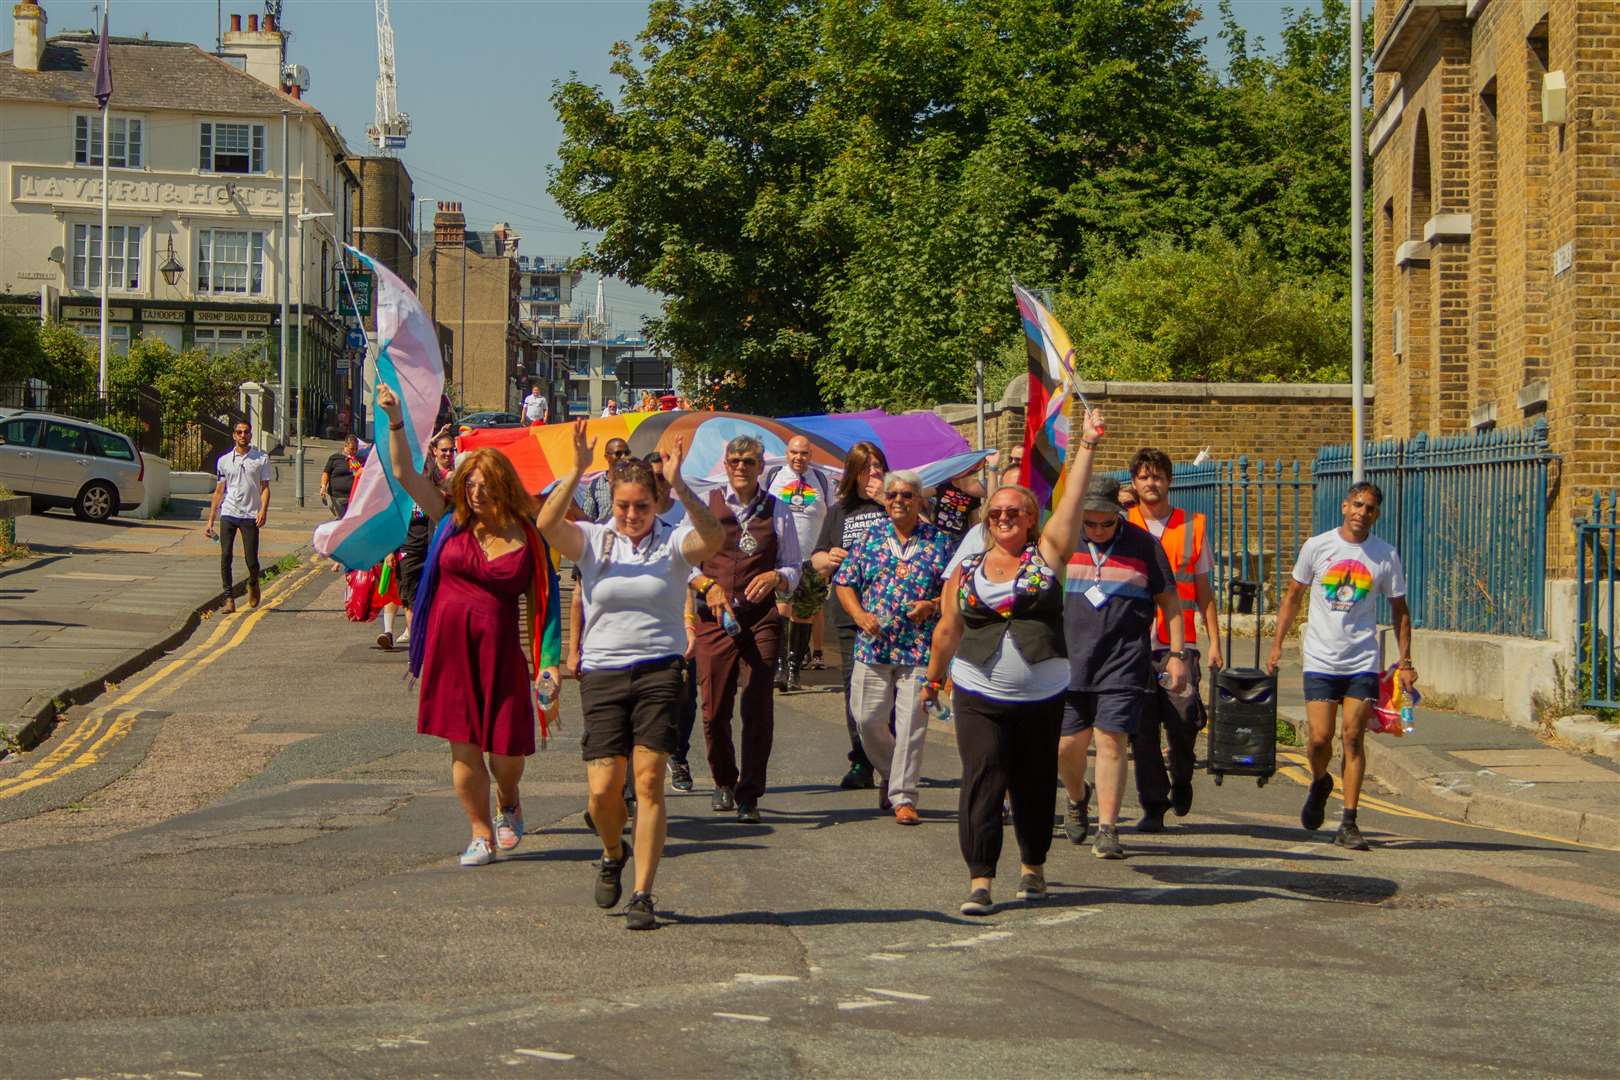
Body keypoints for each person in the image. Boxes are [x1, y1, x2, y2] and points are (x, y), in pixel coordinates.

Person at [539, 421, 723, 930]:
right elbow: (547, 526)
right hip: (602, 673)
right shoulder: (595, 540)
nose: (632, 515)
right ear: (612, 503)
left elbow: (714, 537)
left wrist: (682, 486)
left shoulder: (673, 540)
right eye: (623, 506)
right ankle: (611, 848)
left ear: (655, 503)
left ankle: (643, 893)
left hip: (660, 669)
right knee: (602, 792)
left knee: (648, 782)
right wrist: (575, 471)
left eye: (642, 506)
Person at [922, 409, 1103, 914]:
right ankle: (980, 878)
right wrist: (933, 681)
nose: (1003, 518)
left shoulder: (1048, 556)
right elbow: (947, 629)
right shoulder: (968, 567)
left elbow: (1068, 506)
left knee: (1034, 780)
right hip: (978, 690)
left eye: (1014, 513)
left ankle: (1033, 867)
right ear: (987, 519)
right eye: (996, 513)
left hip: (1042, 692)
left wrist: (1086, 445)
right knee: (982, 776)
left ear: (1031, 519)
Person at [376, 384, 562, 867]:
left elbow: (544, 605)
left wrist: (548, 664)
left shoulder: (528, 536)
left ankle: (509, 800)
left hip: (499, 654)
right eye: (469, 485)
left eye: (484, 485)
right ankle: (480, 833)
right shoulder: (450, 521)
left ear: (501, 486)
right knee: (464, 750)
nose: (475, 493)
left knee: (505, 754)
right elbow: (401, 472)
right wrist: (396, 419)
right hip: (449, 651)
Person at [1268, 482, 1414, 851]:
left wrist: (1406, 662)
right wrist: (1276, 645)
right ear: (1344, 506)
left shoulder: (1384, 555)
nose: (1362, 513)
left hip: (1362, 660)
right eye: (1357, 505)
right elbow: (1292, 596)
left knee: (1352, 737)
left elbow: (1400, 610)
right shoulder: (1317, 547)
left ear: (1376, 515)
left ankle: (1349, 821)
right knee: (1319, 738)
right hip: (1319, 657)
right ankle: (1319, 781)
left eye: (1370, 509)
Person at [1057, 475, 1187, 861]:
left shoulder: (1144, 545)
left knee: (1112, 742)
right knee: (1067, 747)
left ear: (1120, 515)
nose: (1097, 530)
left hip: (1124, 661)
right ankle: (1078, 796)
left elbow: (1171, 604)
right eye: (1089, 522)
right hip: (1068, 662)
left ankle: (1108, 828)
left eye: (1106, 523)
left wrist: (1177, 655)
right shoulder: (1063, 542)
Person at [689, 433, 802, 823]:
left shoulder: (779, 509)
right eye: (734, 461)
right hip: (715, 620)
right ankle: (724, 779)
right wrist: (707, 586)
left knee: (757, 702)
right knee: (714, 708)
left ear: (760, 467)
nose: (740, 467)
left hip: (761, 619)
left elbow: (794, 566)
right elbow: (686, 562)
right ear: (725, 464)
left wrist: (776, 578)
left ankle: (749, 794)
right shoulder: (707, 503)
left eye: (749, 462)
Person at [832, 469, 954, 824]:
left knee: (912, 724)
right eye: (893, 495)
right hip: (873, 647)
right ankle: (889, 771)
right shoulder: (869, 537)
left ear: (919, 500)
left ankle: (903, 796)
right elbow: (844, 582)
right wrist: (858, 615)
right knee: (867, 719)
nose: (899, 500)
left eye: (906, 495)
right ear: (884, 501)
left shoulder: (939, 541)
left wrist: (931, 605)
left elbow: (953, 590)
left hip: (917, 648)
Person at [1124, 448, 1222, 833]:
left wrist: (1215, 642)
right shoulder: (1122, 523)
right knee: (1142, 728)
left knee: (1183, 719)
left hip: (1178, 642)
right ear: (1134, 482)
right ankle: (1153, 803)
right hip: (1133, 642)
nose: (1152, 483)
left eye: (1158, 476)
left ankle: (1181, 776)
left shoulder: (1192, 525)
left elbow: (1203, 591)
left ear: (1170, 481)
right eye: (1144, 476)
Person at [811, 441, 891, 790]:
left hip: (890, 613)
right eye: (866, 467)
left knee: (891, 690)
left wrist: (888, 498)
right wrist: (827, 559)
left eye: (878, 466)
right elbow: (816, 559)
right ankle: (861, 760)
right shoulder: (839, 511)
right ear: (853, 473)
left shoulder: (897, 503)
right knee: (854, 690)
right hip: (848, 610)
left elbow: (925, 532)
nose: (873, 473)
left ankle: (892, 761)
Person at [645, 449, 701, 794]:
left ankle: (678, 755)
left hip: (681, 614)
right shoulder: (631, 515)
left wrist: (689, 622)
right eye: (652, 478)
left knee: (684, 697)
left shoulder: (684, 515)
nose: (658, 485)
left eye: (663, 477)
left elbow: (687, 572)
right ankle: (636, 774)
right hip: (643, 622)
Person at [765, 435, 833, 691]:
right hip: (782, 560)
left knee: (804, 615)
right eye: (794, 452)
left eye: (804, 453)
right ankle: (780, 667)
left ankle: (794, 671)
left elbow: (831, 516)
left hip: (811, 560)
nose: (798, 458)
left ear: (810, 455)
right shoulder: (773, 477)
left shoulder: (823, 481)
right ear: (787, 453)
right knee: (782, 610)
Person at [393, 428, 458, 649]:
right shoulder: (425, 473)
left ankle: (432, 642)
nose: (448, 454)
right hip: (412, 541)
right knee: (411, 598)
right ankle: (418, 644)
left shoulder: (459, 478)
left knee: (439, 597)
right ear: (434, 451)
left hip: (441, 545)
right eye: (444, 450)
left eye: (452, 450)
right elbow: (407, 463)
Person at [203, 420, 272, 614]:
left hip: (250, 515)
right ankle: (229, 599)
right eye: (239, 432)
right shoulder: (224, 461)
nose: (242, 435)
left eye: (246, 432)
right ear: (234, 435)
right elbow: (219, 491)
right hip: (229, 513)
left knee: (251, 560)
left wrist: (263, 510)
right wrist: (210, 520)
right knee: (225, 556)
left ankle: (253, 583)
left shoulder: (261, 459)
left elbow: (265, 488)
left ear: (250, 435)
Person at [930, 467, 984, 548]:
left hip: (959, 538)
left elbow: (975, 521)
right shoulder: (943, 485)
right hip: (938, 534)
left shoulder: (973, 492)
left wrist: (975, 541)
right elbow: (921, 493)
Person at [320, 434, 364, 519]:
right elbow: (326, 473)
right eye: (352, 449)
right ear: (345, 446)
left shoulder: (359, 460)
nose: (354, 451)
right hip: (336, 496)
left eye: (356, 449)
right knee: (343, 520)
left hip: (353, 497)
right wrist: (323, 486)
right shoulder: (335, 458)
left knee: (348, 521)